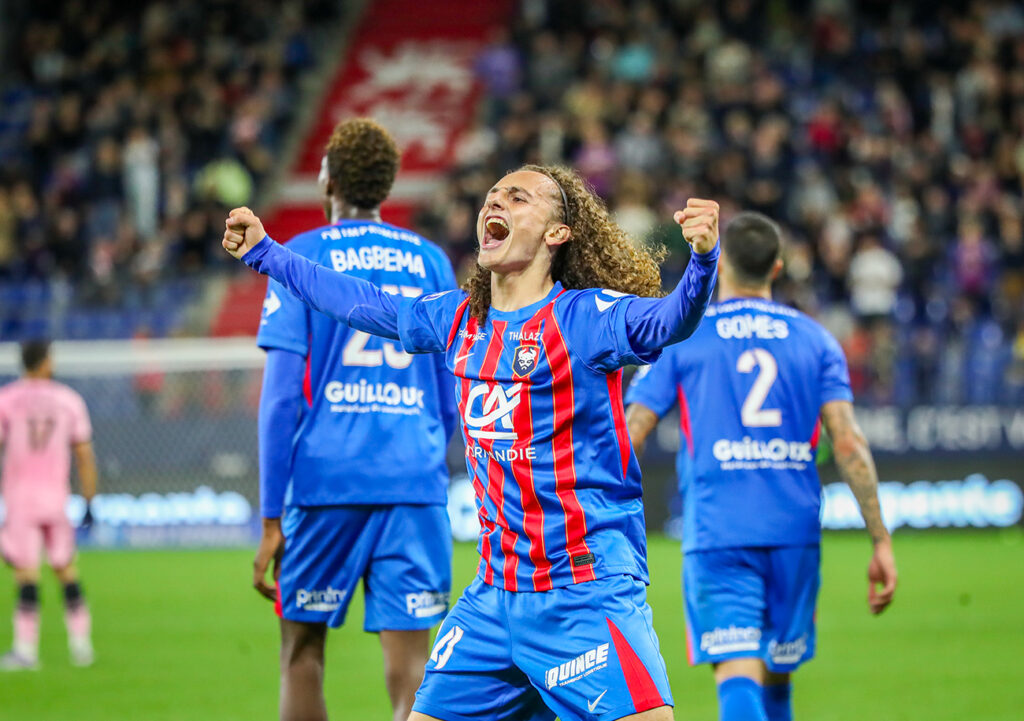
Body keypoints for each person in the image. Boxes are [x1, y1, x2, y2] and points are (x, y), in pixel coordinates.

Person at [222, 162, 722, 721]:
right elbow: (359, 301)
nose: (495, 204)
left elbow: (671, 321)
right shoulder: (459, 319)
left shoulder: (584, 317)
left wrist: (702, 262)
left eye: (518, 198)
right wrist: (267, 252)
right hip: (493, 598)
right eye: (492, 197)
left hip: (583, 591)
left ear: (557, 234)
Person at [624, 212, 898, 721]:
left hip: (719, 527)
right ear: (777, 266)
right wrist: (879, 540)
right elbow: (850, 444)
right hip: (793, 529)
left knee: (736, 671)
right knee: (777, 673)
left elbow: (630, 429)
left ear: (721, 262)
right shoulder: (816, 340)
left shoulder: (686, 336)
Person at [251, 119, 459, 721]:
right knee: (414, 669)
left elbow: (281, 400)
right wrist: (417, 454)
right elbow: (449, 397)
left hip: (325, 482)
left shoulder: (301, 258)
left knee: (302, 651)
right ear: (386, 185)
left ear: (326, 179)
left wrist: (270, 518)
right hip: (412, 480)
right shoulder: (432, 263)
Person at [0, 340, 97, 670]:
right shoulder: (68, 400)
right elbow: (84, 454)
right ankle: (82, 646)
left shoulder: (7, 399)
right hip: (56, 497)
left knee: (26, 574)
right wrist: (89, 500)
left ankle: (26, 650)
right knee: (66, 569)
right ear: (44, 362)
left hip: (20, 499)